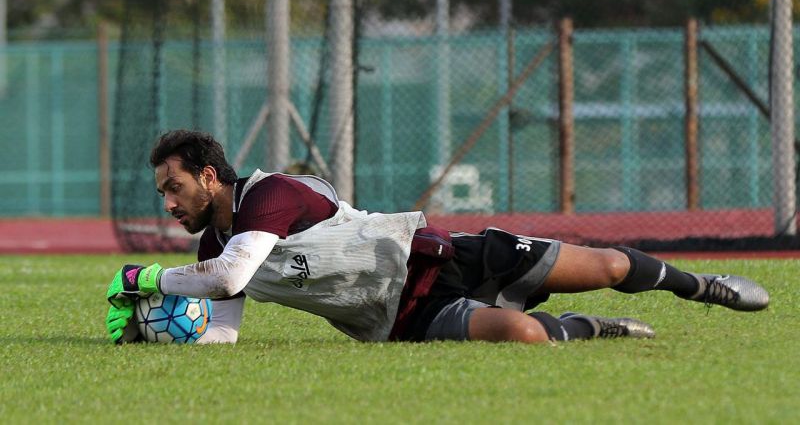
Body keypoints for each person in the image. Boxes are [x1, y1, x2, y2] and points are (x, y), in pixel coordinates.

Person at [105, 130, 770, 345]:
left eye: (173, 187)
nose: (168, 203)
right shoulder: (208, 252)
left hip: (439, 252)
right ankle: (591, 328)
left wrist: (139, 280)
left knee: (602, 261)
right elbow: (222, 328)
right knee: (525, 336)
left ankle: (699, 285)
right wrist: (153, 330)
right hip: (406, 312)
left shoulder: (271, 195)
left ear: (211, 176)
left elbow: (228, 280)